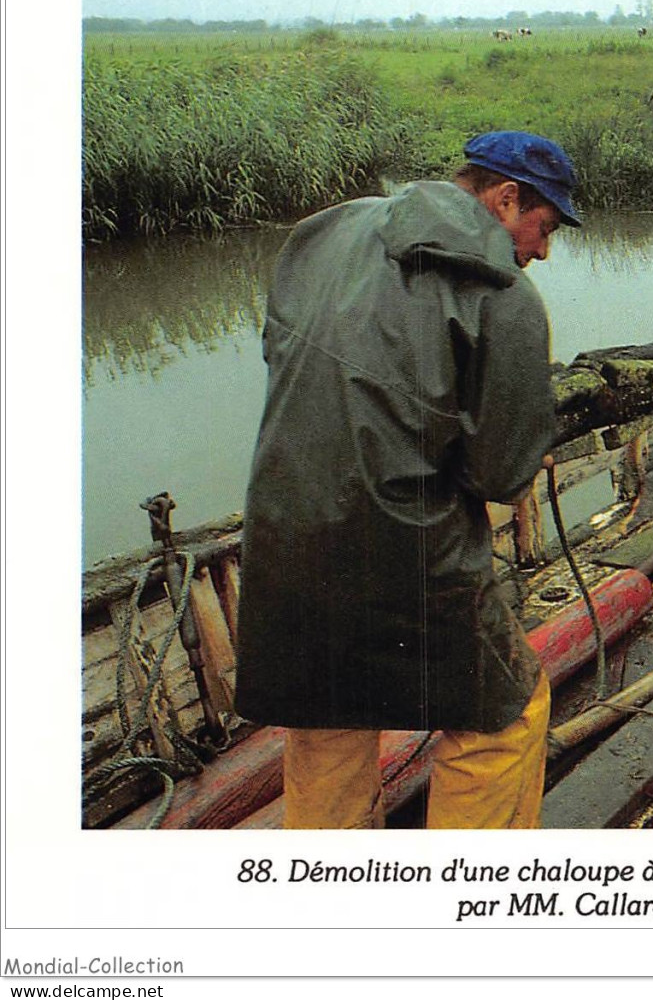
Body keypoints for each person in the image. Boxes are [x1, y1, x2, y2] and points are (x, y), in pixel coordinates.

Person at [234, 131, 580, 829]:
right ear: (505, 198)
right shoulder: (505, 294)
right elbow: (499, 475)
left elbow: (282, 349)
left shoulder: (324, 231)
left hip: (282, 534)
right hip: (407, 550)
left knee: (328, 718)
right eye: (544, 228)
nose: (543, 250)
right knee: (506, 714)